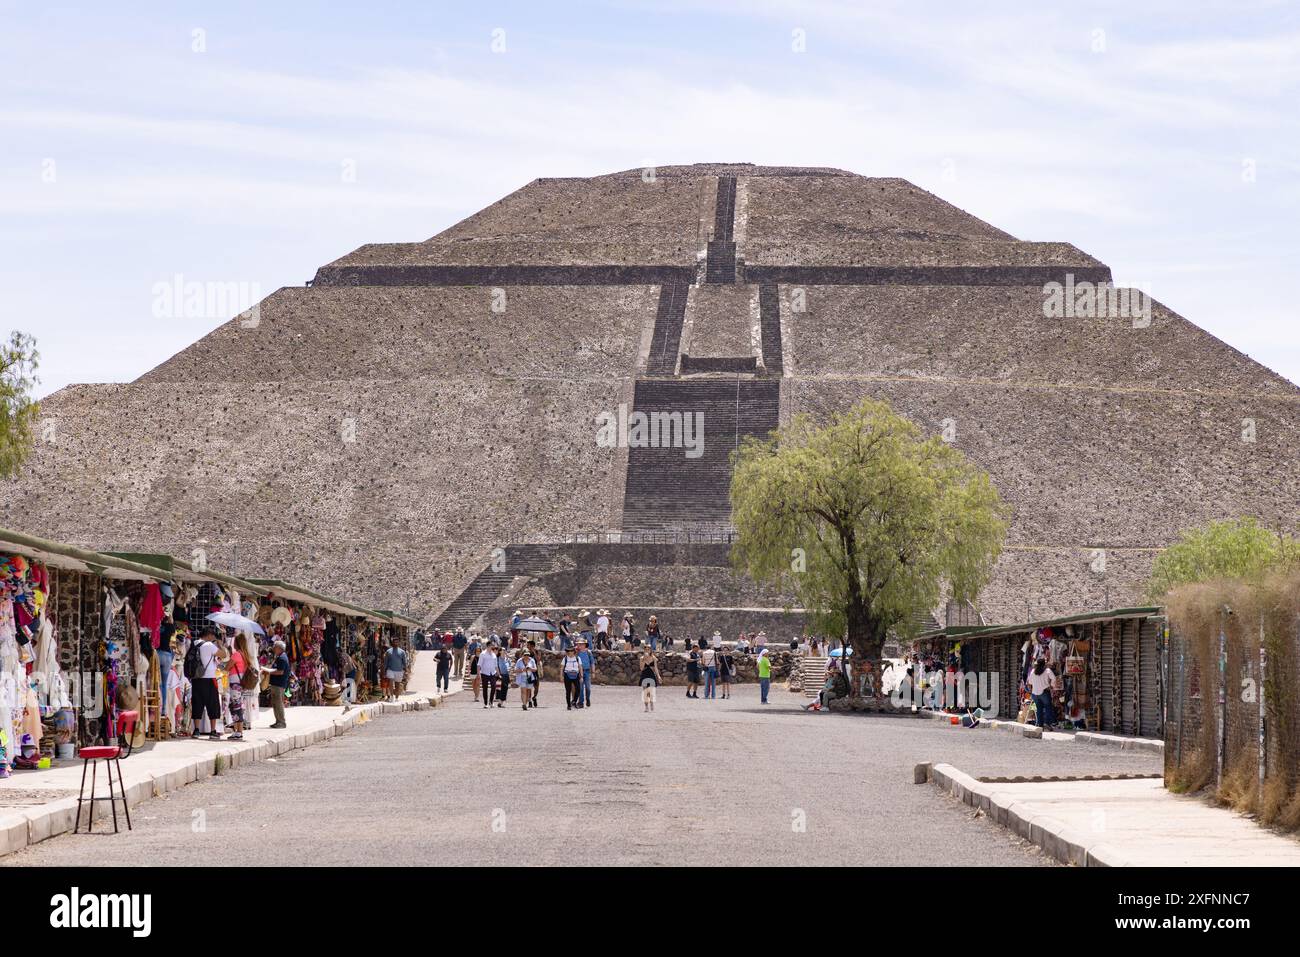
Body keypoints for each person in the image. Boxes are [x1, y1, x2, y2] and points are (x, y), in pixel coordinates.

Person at [190, 625, 223, 739]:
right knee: (212, 704)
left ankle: (196, 730)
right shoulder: (209, 645)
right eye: (213, 636)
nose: (213, 638)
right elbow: (223, 655)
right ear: (209, 635)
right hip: (209, 678)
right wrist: (219, 644)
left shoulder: (194, 643)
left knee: (197, 703)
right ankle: (213, 731)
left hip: (196, 678)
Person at [228, 632, 258, 740]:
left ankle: (239, 731)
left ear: (237, 643)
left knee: (236, 707)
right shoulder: (245, 655)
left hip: (235, 684)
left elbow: (227, 667)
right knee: (237, 706)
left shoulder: (236, 654)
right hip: (240, 684)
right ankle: (237, 731)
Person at [267, 638, 291, 729]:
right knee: (276, 703)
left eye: (275, 647)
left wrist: (269, 671)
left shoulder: (282, 658)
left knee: (278, 703)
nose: (273, 649)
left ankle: (281, 722)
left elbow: (280, 671)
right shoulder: (280, 657)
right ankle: (278, 721)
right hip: (277, 684)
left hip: (279, 684)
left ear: (279, 648)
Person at [1026, 658, 1057, 727]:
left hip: (1035, 693)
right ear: (1044, 664)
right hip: (1044, 692)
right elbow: (1054, 678)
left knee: (1039, 709)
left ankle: (1040, 725)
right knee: (1048, 708)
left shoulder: (1033, 671)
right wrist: (1052, 686)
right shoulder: (1047, 670)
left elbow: (1030, 682)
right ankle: (1047, 723)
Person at [383, 638, 408, 702]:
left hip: (399, 670)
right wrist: (384, 671)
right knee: (390, 682)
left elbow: (404, 662)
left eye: (397, 642)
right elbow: (385, 662)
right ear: (392, 643)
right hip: (390, 669)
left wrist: (406, 670)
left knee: (397, 685)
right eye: (394, 642)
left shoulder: (402, 652)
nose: (396, 643)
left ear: (399, 643)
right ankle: (391, 696)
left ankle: (396, 697)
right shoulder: (388, 651)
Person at [560, 645, 584, 710]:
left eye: (571, 651)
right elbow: (562, 668)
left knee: (578, 689)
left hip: (576, 675)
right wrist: (561, 676)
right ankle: (568, 705)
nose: (570, 652)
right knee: (568, 691)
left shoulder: (577, 658)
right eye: (568, 651)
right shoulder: (565, 658)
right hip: (567, 675)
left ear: (574, 652)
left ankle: (574, 701)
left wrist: (581, 676)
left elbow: (580, 667)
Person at [638, 648, 661, 713]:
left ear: (650, 650)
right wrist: (644, 660)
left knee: (651, 692)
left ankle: (651, 702)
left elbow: (656, 668)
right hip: (644, 675)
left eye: (648, 649)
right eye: (646, 649)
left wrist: (658, 676)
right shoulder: (641, 658)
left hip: (651, 675)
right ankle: (646, 707)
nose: (647, 650)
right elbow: (641, 668)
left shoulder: (654, 658)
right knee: (645, 692)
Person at [479, 643, 499, 708]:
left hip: (492, 673)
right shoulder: (482, 654)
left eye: (492, 646)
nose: (492, 647)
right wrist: (478, 673)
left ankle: (491, 701)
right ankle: (485, 703)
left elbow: (496, 665)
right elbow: (479, 664)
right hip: (484, 673)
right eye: (491, 646)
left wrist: (498, 673)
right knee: (485, 688)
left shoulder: (494, 655)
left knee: (493, 687)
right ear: (488, 646)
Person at [576, 637, 594, 708]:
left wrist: (593, 672)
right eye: (579, 644)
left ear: (585, 645)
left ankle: (588, 699)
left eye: (581, 644)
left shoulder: (589, 652)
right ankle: (581, 702)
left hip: (587, 671)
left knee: (588, 688)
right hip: (580, 672)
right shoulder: (577, 653)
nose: (579, 646)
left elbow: (592, 663)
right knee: (580, 688)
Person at [526, 639, 542, 708]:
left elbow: (538, 660)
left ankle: (534, 697)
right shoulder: (526, 652)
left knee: (536, 687)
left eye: (528, 645)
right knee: (529, 687)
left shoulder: (538, 651)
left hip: (535, 672)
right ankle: (529, 701)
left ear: (532, 646)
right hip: (528, 672)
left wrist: (534, 652)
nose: (527, 646)